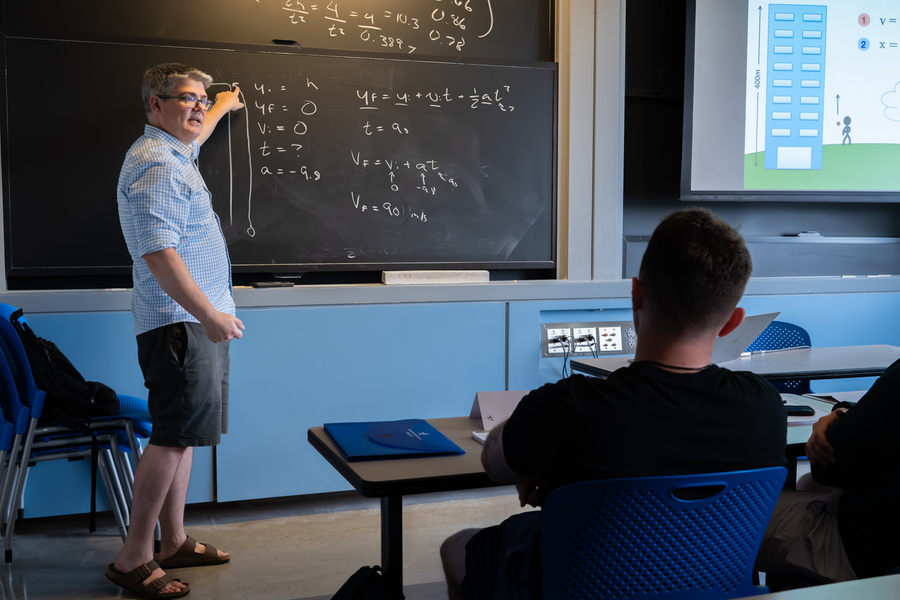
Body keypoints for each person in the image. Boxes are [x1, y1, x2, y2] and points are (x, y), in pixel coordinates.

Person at [440, 207, 788, 600]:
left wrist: (543, 454)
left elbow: (495, 465)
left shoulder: (569, 406)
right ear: (732, 322)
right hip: (709, 586)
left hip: (578, 587)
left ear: (636, 293)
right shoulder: (766, 408)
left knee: (457, 548)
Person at [107, 63, 245, 598]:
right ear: (153, 106)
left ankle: (174, 540)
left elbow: (198, 126)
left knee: (183, 434)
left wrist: (224, 105)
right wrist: (209, 315)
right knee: (170, 435)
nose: (197, 107)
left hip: (190, 320)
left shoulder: (173, 151)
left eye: (202, 99)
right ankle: (134, 556)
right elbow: (159, 253)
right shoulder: (155, 164)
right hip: (181, 323)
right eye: (186, 98)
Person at [756, 358, 900, 587]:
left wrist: (841, 425)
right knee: (806, 483)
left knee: (735, 517)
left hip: (864, 552)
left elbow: (829, 469)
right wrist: (844, 412)